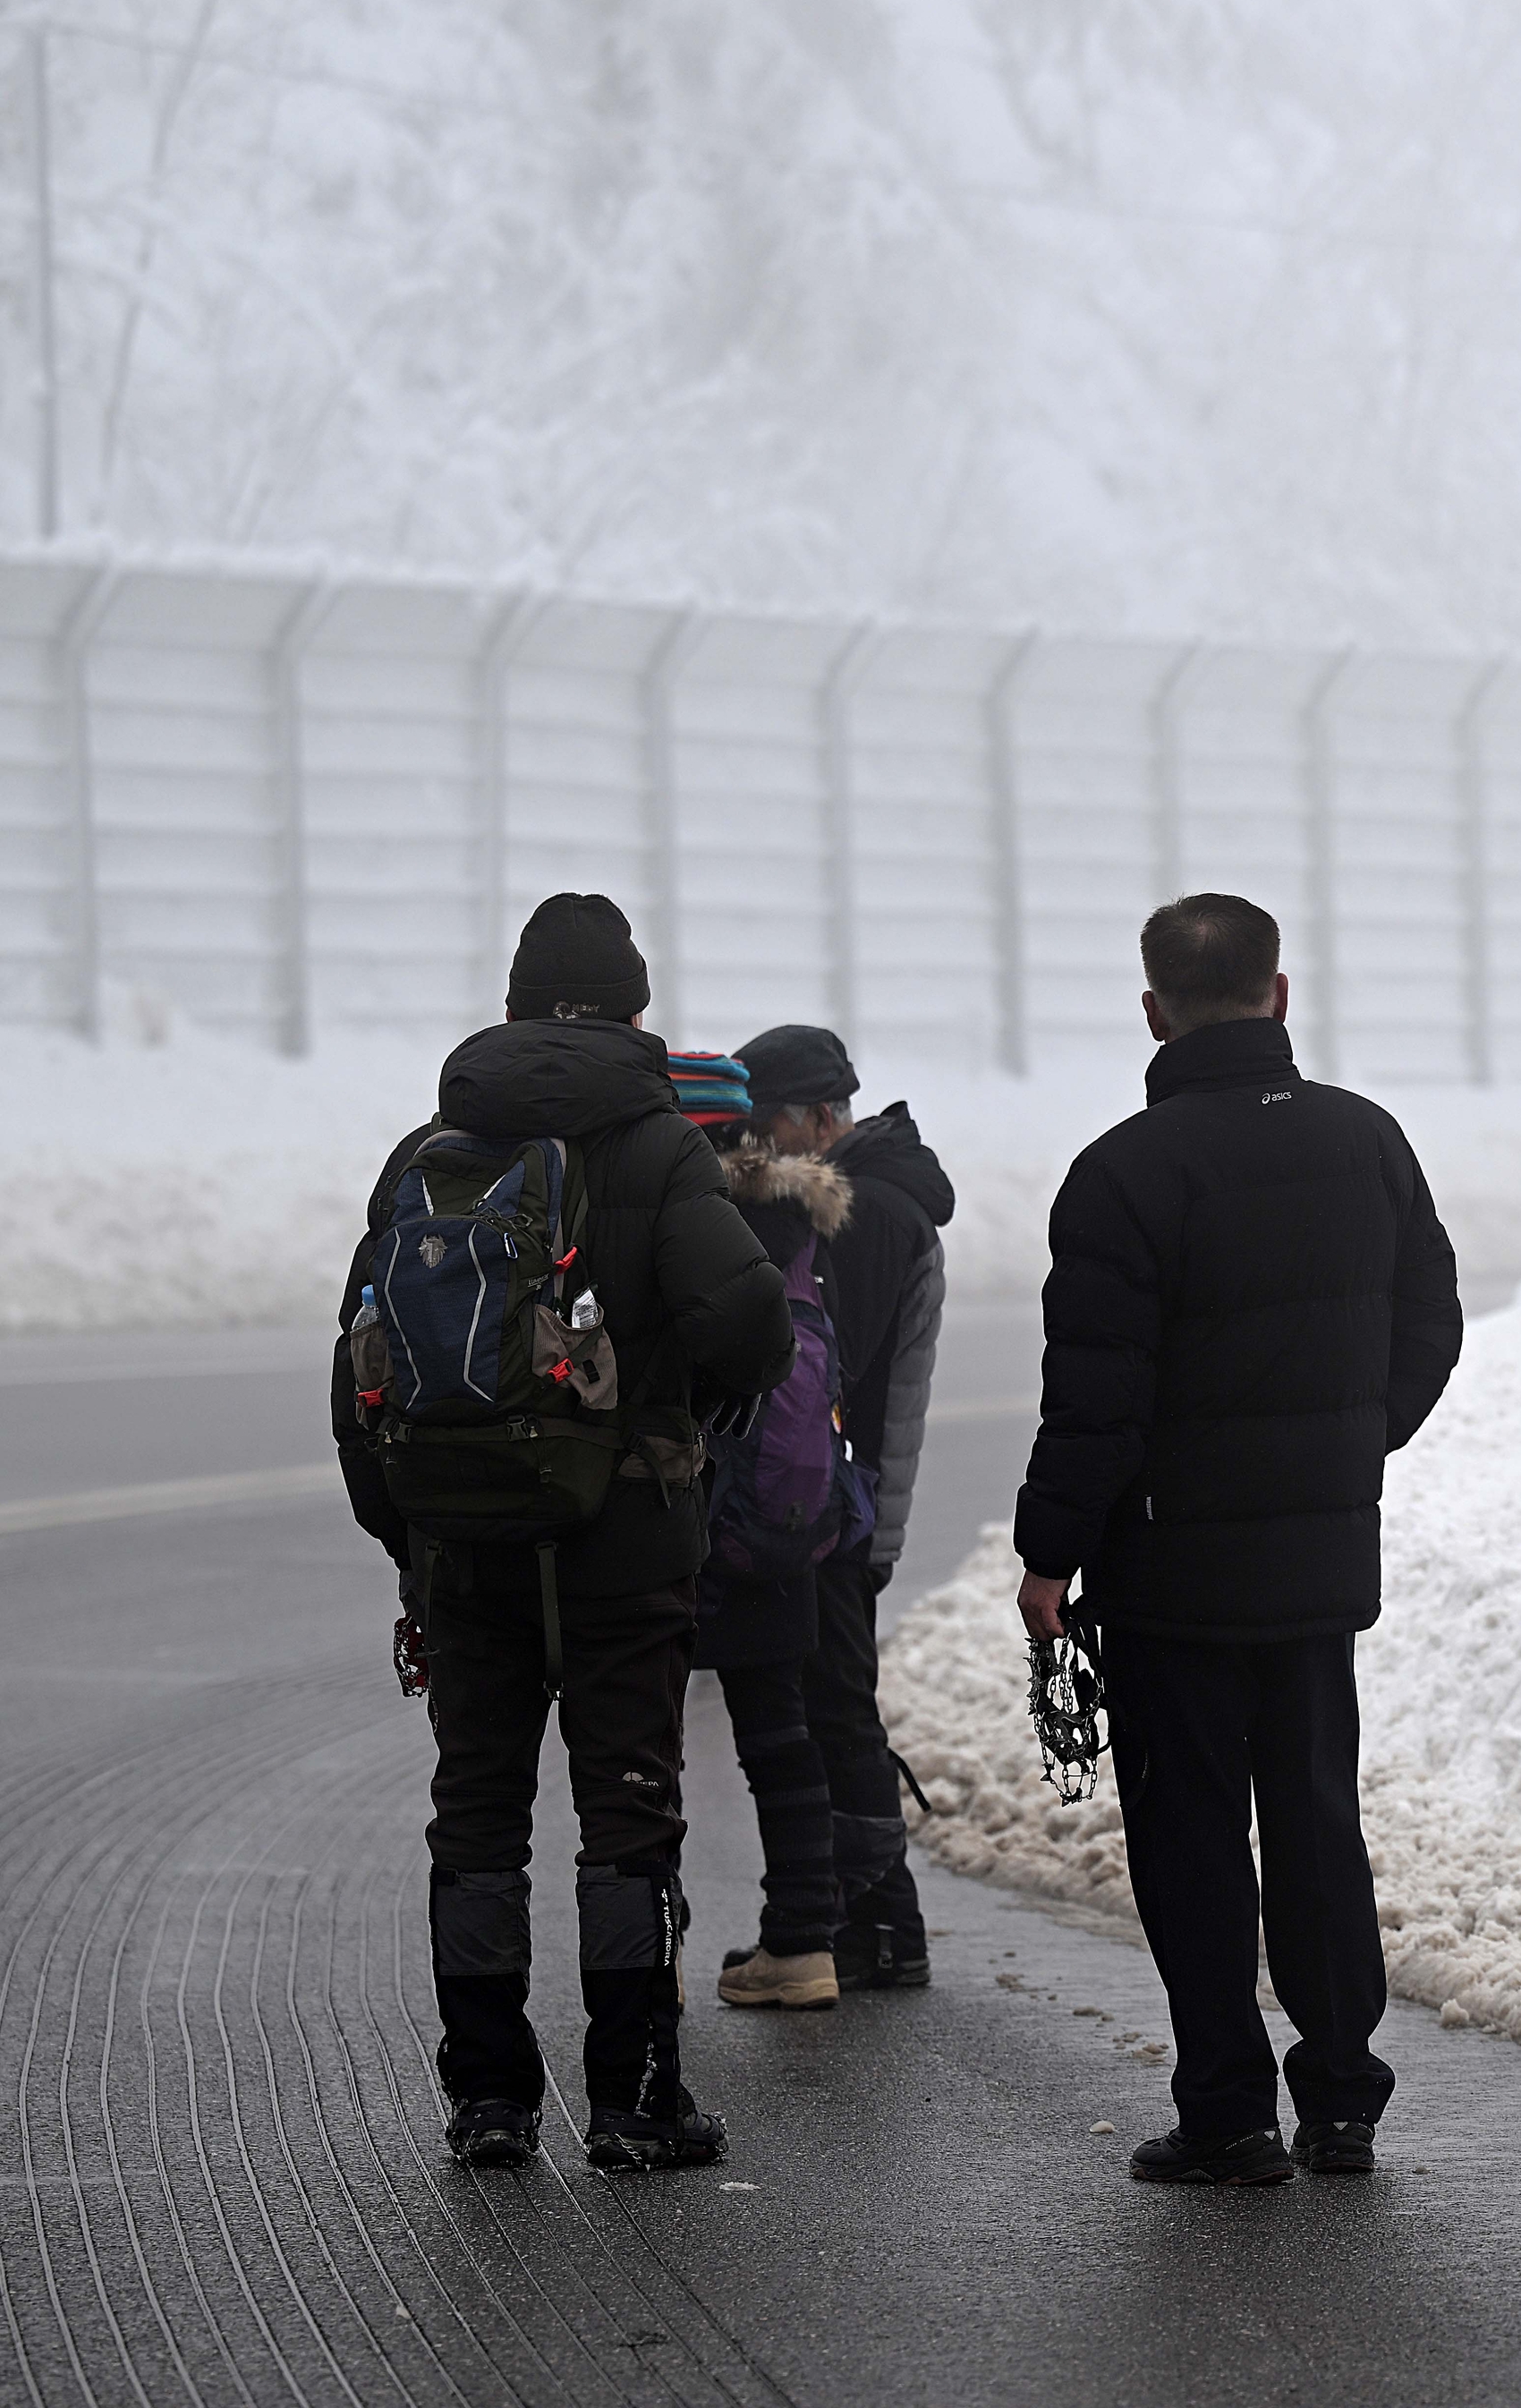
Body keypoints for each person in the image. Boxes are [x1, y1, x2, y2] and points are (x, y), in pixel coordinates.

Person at [332, 893, 790, 2173]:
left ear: (522, 999)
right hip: (624, 1546)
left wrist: (411, 1537)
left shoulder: (430, 1148)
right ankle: (636, 2097)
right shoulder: (655, 1147)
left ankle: (489, 2098)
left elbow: (357, 1369)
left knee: (475, 1816)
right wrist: (686, 1429)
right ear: (637, 1009)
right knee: (628, 1815)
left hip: (462, 1548)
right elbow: (752, 1320)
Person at [1012, 891, 1461, 2186]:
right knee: (1317, 1815)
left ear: (1153, 1009)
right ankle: (1340, 2099)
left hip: (1169, 1574)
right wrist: (1345, 1450)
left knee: (1192, 1833)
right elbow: (1430, 1324)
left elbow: (1093, 1398)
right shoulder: (1366, 1140)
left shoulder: (1121, 1174)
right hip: (1319, 1566)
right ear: (1279, 992)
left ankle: (1225, 2106)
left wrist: (1051, 1553)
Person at [734, 1021, 956, 1989]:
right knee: (835, 1706)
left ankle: (869, 1926)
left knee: (832, 1712)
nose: (753, 1146)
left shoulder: (861, 1214)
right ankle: (874, 1927)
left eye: (764, 1125)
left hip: (831, 1503)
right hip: (847, 1494)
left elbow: (824, 1374)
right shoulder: (883, 1200)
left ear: (822, 1117)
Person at [675, 1049, 863, 2012]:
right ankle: (802, 1942)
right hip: (781, 1511)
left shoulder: (672, 1210)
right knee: (780, 1732)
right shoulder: (794, 1219)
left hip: (680, 1508)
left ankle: (642, 1945)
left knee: (636, 1740)